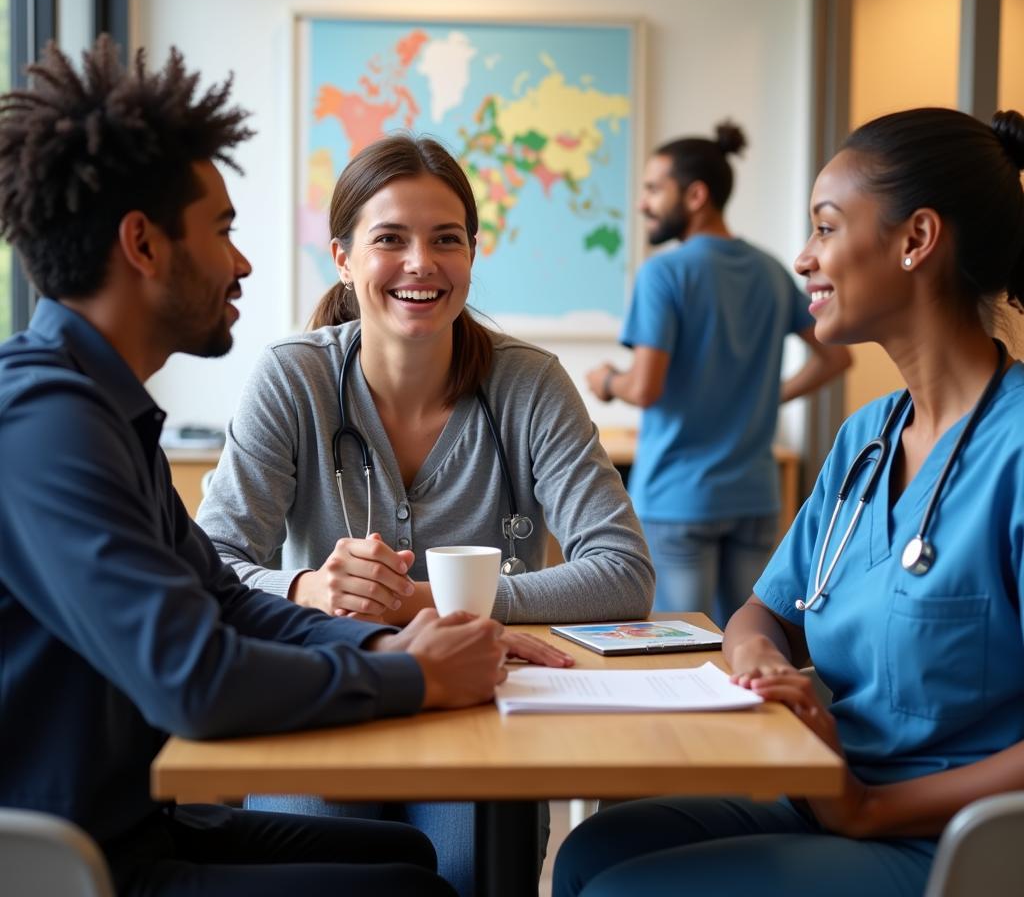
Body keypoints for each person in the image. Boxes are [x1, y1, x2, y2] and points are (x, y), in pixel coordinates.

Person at [0, 36, 521, 897]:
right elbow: (195, 680)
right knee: (414, 893)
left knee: (411, 863)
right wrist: (413, 674)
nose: (241, 263)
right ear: (143, 245)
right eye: (224, 231)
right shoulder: (42, 426)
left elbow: (230, 601)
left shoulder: (102, 413)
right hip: (69, 859)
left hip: (137, 822)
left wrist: (394, 638)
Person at [555, 106, 1024, 897]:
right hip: (826, 787)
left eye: (826, 228)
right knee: (590, 853)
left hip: (945, 835)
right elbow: (761, 612)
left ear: (916, 241)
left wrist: (870, 809)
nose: (803, 257)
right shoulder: (868, 439)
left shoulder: (1013, 449)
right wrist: (763, 662)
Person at [196, 133, 656, 895]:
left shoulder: (529, 385)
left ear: (473, 254)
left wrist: (425, 603)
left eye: (447, 239)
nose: (421, 263)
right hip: (335, 694)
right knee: (318, 871)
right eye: (390, 239)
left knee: (469, 874)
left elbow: (624, 572)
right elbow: (209, 562)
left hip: (478, 712)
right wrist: (308, 589)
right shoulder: (294, 378)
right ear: (343, 257)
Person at [586, 122, 850, 623]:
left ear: (696, 194)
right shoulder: (773, 270)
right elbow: (836, 358)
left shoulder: (665, 273)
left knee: (678, 647)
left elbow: (645, 386)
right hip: (754, 493)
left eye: (652, 189)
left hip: (678, 499)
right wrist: (766, 397)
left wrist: (605, 382)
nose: (643, 203)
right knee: (750, 635)